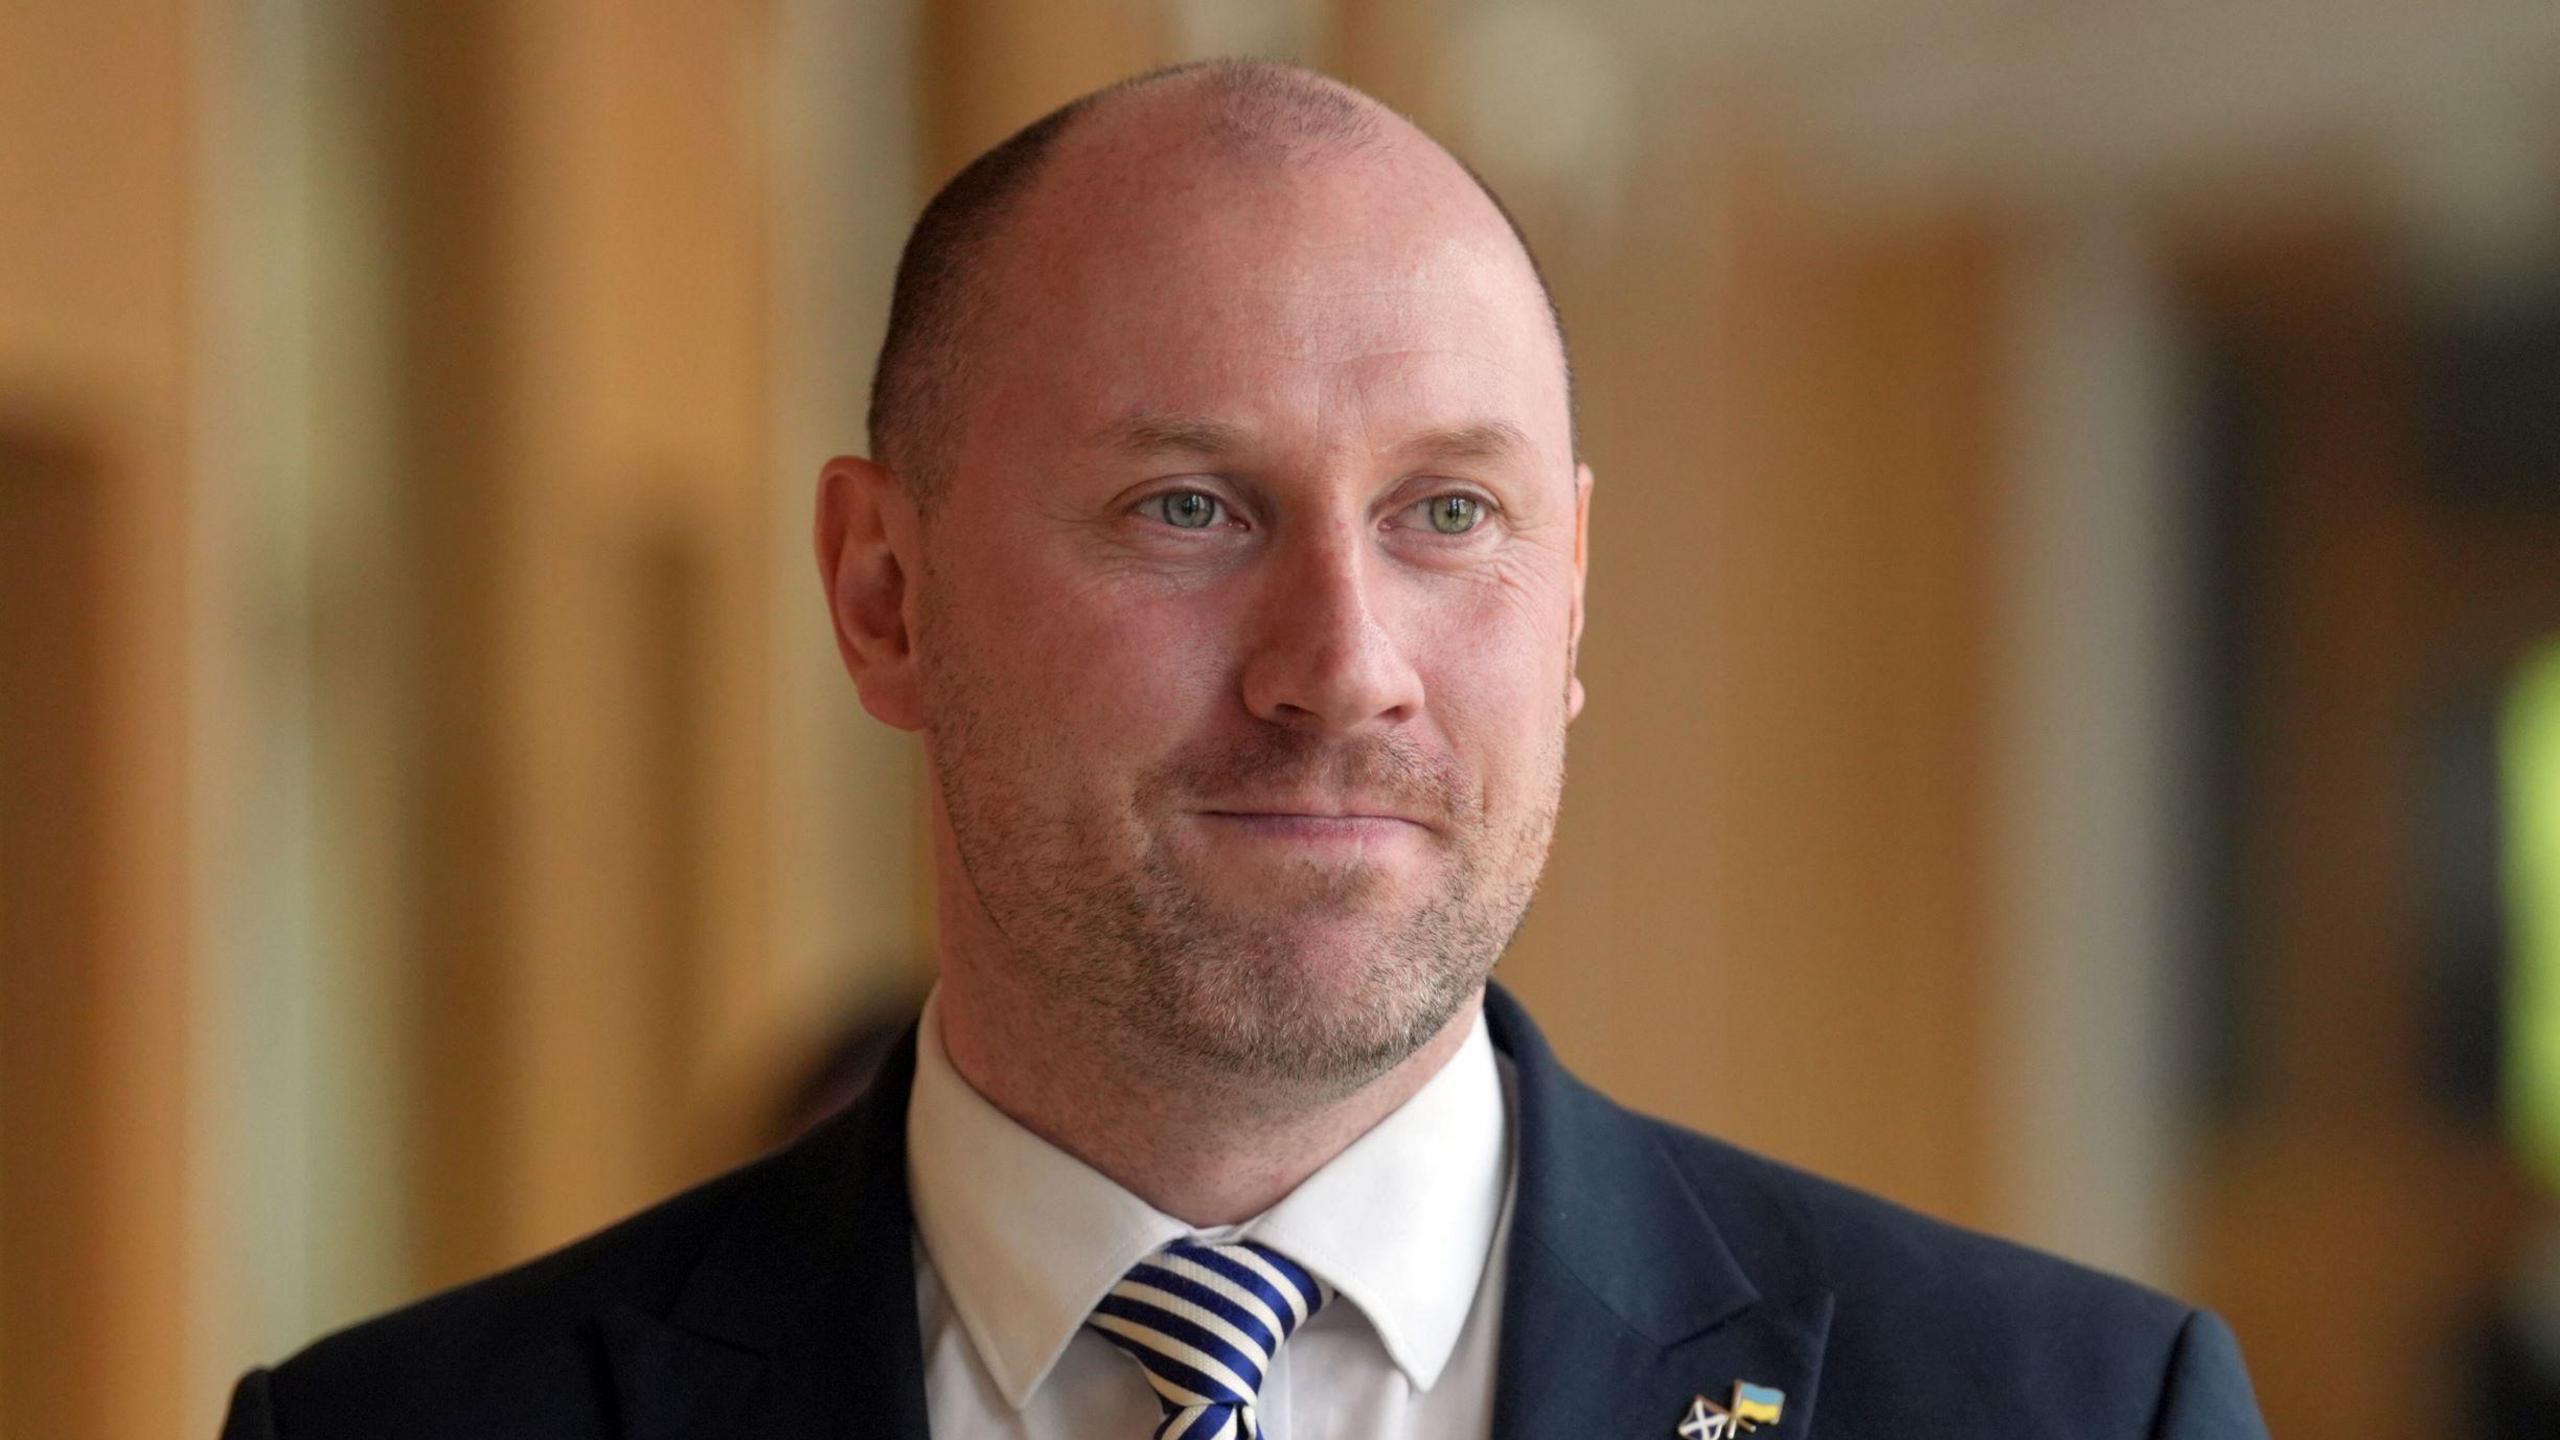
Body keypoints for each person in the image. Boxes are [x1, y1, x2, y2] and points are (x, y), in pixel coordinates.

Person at [220, 59, 2268, 1439]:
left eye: (1447, 514)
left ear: (1569, 597)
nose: (1340, 664)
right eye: (1188, 508)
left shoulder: (2068, 1410)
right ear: (882, 595)